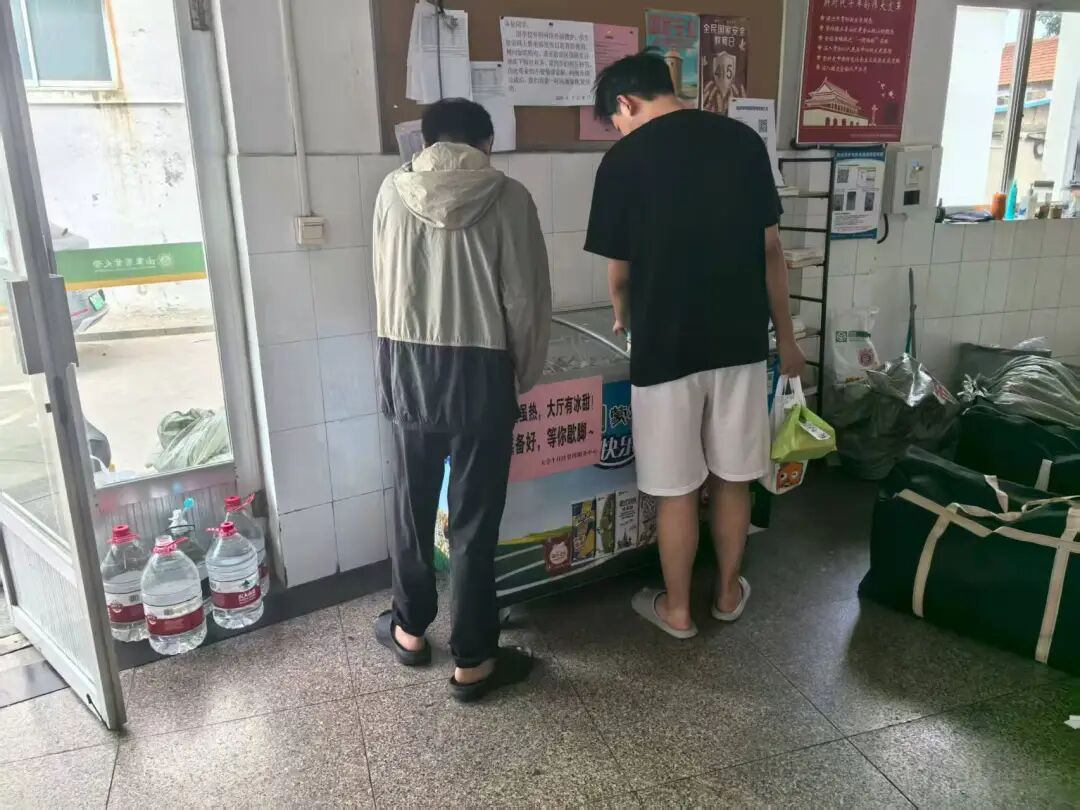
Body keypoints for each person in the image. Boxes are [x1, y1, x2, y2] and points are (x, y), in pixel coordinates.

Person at [585, 51, 805, 639]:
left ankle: (677, 609)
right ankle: (728, 593)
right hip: (739, 345)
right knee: (733, 480)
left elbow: (620, 275)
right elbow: (771, 251)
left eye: (617, 118)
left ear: (625, 103)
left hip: (664, 351)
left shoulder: (623, 159)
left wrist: (623, 317)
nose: (620, 129)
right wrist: (787, 340)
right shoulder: (742, 142)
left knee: (677, 491)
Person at [371, 98, 551, 699]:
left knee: (411, 506)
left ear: (424, 142)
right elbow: (525, 300)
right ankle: (473, 660)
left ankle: (409, 630)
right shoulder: (510, 197)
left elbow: (382, 283)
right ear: (486, 143)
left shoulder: (391, 192)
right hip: (481, 370)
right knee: (473, 522)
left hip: (407, 363)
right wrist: (523, 372)